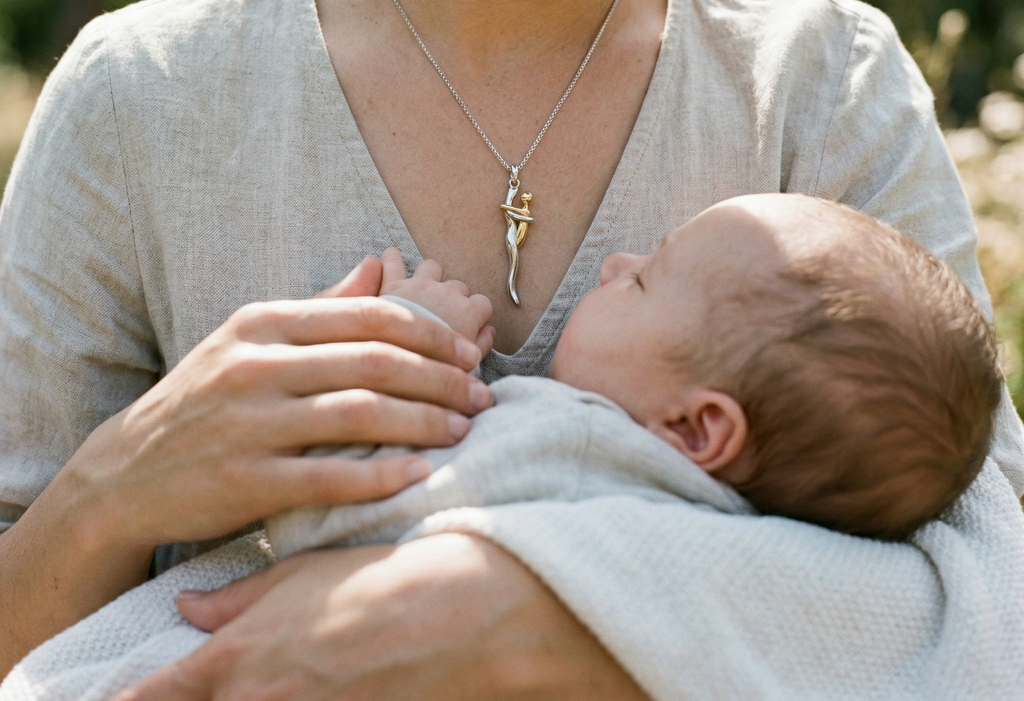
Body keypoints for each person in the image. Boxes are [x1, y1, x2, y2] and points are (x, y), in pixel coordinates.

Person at [2, 0, 1024, 697]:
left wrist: (529, 611)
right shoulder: (145, 99)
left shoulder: (821, 88)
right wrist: (113, 488)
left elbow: (996, 599)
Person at [3, 193, 1003, 701]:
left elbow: (338, 517)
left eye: (645, 279)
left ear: (700, 428)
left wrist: (403, 338)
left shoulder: (567, 446)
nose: (617, 258)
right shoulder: (713, 505)